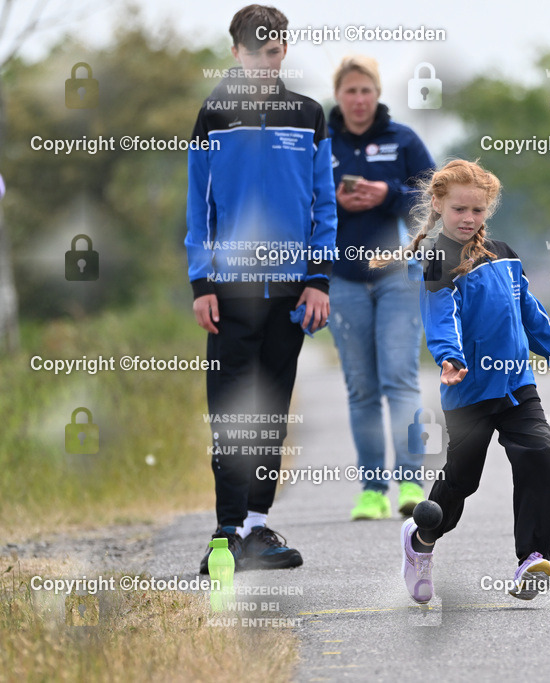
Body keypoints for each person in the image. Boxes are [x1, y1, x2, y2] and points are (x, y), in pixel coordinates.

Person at [394, 159, 550, 603]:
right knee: (462, 482)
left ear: (488, 211)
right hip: (467, 389)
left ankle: (532, 559)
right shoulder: (435, 261)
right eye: (460, 210)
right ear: (439, 205)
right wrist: (448, 358)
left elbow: (530, 314)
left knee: (540, 456)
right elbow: (440, 317)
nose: (468, 219)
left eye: (478, 211)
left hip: (517, 386)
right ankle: (421, 540)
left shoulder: (504, 254)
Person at [185, 4, 337, 571]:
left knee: (271, 409)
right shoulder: (214, 115)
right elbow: (199, 207)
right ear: (236, 54)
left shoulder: (309, 114)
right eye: (255, 54)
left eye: (274, 52)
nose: (265, 63)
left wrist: (318, 278)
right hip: (229, 290)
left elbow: (323, 204)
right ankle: (225, 533)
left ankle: (256, 527)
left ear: (284, 51)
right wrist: (202, 281)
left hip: (292, 292)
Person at [326, 55, 436, 521]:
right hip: (342, 279)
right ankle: (372, 488)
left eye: (366, 90)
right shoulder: (320, 142)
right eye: (350, 91)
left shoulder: (402, 139)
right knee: (362, 389)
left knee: (400, 377)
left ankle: (411, 480)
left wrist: (386, 194)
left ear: (377, 93)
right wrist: (332, 197)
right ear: (338, 96)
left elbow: (436, 199)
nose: (358, 99)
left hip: (396, 275)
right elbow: (296, 202)